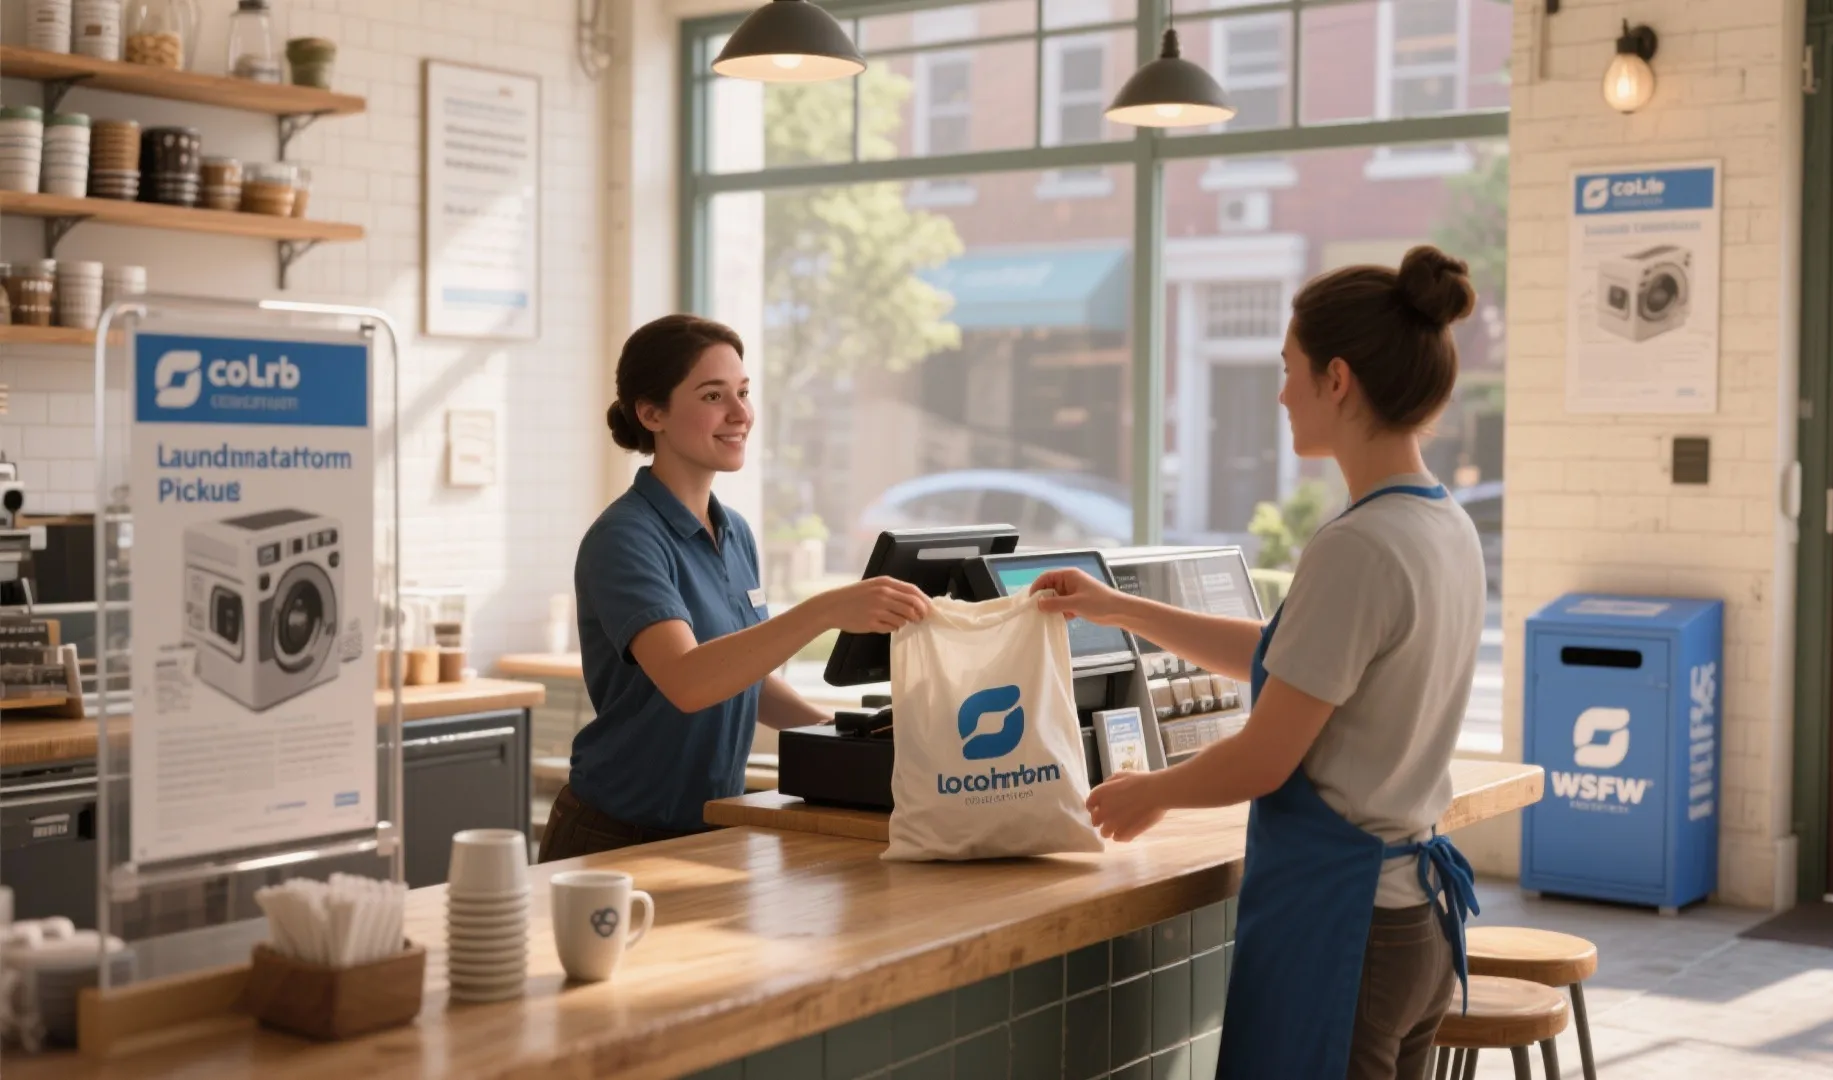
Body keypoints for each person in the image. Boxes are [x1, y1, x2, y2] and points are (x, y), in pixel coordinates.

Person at [1032, 246, 1486, 1080]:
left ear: (1337, 379)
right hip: (1413, 922)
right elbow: (1291, 662)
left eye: (1289, 368)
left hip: (1349, 928)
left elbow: (1266, 758)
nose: (1280, 393)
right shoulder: (1438, 523)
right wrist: (1121, 608)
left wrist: (1152, 793)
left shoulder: (1359, 547)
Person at [542, 315, 931, 862]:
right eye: (712, 395)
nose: (740, 413)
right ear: (651, 413)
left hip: (711, 829)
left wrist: (841, 736)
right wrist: (825, 610)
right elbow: (689, 680)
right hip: (616, 837)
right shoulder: (625, 539)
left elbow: (746, 679)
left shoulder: (734, 533)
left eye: (743, 392)